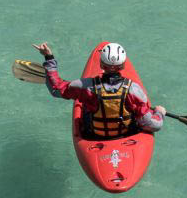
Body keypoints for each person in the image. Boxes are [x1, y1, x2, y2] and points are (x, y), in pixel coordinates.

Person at [32, 41, 165, 138]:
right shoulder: (134, 90)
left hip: (94, 135)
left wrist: (49, 58)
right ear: (123, 66)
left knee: (85, 105)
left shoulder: (85, 87)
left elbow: (56, 88)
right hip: (125, 134)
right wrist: (159, 113)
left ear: (101, 64)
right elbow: (153, 125)